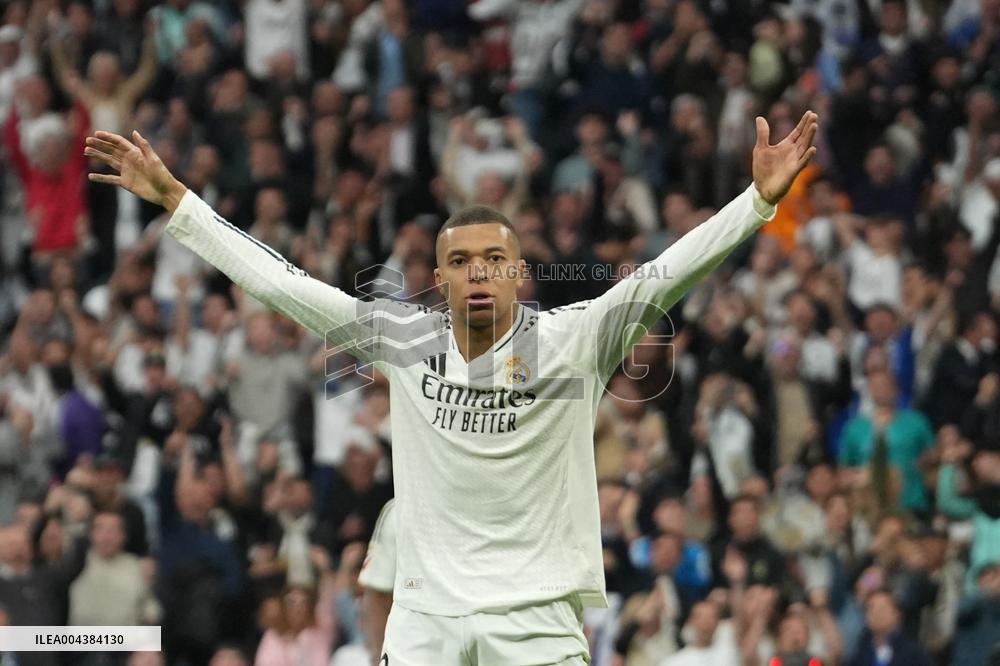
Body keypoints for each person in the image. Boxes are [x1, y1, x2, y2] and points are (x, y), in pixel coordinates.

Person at [83, 108, 818, 664]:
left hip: (536, 622)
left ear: (517, 272)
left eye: (493, 259)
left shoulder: (573, 340)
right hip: (426, 620)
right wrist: (180, 203)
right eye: (461, 261)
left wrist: (756, 203)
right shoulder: (407, 341)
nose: (478, 272)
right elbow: (282, 283)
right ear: (439, 278)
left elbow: (667, 274)